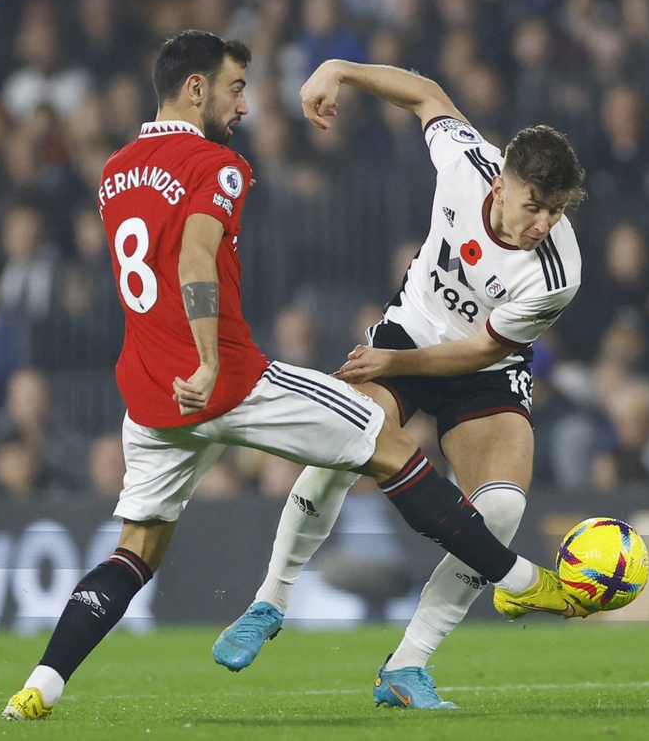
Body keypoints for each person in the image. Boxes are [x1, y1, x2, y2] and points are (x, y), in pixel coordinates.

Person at [2, 30, 574, 722]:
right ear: (197, 89)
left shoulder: (116, 168)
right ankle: (510, 579)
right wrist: (211, 358)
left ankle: (41, 684)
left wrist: (339, 68)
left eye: (556, 209)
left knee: (137, 550)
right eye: (237, 87)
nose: (246, 104)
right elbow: (193, 261)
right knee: (375, 440)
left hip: (153, 396)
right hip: (242, 375)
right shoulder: (222, 166)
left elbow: (486, 349)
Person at [212, 58, 587, 709]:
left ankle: (406, 666)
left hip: (482, 369)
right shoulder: (466, 161)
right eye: (534, 207)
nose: (542, 225)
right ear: (502, 183)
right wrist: (337, 70)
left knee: (499, 512)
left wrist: (390, 367)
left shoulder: (556, 272)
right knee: (339, 446)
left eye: (554, 212)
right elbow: (428, 93)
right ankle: (270, 601)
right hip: (413, 328)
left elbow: (479, 351)